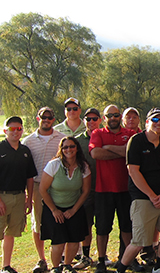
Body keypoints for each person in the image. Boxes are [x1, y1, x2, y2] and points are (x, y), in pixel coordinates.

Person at [116, 109, 160, 273]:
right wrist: (152, 196)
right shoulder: (136, 141)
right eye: (155, 120)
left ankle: (158, 267)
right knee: (139, 241)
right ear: (147, 122)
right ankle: (120, 269)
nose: (159, 123)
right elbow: (133, 171)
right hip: (143, 198)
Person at [89, 105, 136, 273]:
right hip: (103, 189)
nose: (113, 118)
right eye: (110, 115)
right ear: (104, 117)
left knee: (127, 226)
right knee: (102, 228)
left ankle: (129, 259)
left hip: (125, 189)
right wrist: (122, 153)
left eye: (116, 115)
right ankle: (101, 260)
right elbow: (95, 154)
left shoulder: (130, 134)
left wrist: (108, 148)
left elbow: (132, 152)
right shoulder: (97, 133)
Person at [22, 107, 65, 273]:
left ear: (53, 119)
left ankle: (60, 257)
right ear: (38, 118)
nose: (46, 120)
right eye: (43, 117)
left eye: (49, 117)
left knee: (60, 220)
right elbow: (26, 170)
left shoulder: (61, 138)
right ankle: (41, 259)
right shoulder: (28, 141)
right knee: (38, 223)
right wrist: (28, 192)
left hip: (58, 185)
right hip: (38, 185)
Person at [39, 137, 91, 273]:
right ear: (61, 150)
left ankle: (67, 265)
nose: (69, 150)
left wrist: (73, 210)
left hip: (74, 207)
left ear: (77, 148)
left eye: (72, 146)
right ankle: (56, 268)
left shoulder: (83, 166)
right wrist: (54, 210)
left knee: (74, 239)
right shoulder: (54, 165)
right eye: (65, 147)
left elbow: (85, 191)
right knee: (58, 240)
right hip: (54, 208)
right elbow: (42, 190)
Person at [0, 116, 37, 273]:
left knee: (11, 233)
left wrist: (28, 199)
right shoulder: (0, 148)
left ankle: (6, 266)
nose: (16, 132)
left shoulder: (25, 151)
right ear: (5, 131)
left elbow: (30, 176)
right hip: (2, 196)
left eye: (19, 129)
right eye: (12, 129)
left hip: (20, 196)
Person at [73, 108, 101, 269]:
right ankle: (86, 256)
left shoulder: (104, 136)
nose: (91, 122)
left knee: (102, 225)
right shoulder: (77, 141)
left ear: (99, 120)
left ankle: (102, 256)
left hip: (103, 188)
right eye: (88, 119)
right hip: (84, 190)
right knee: (86, 225)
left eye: (94, 119)